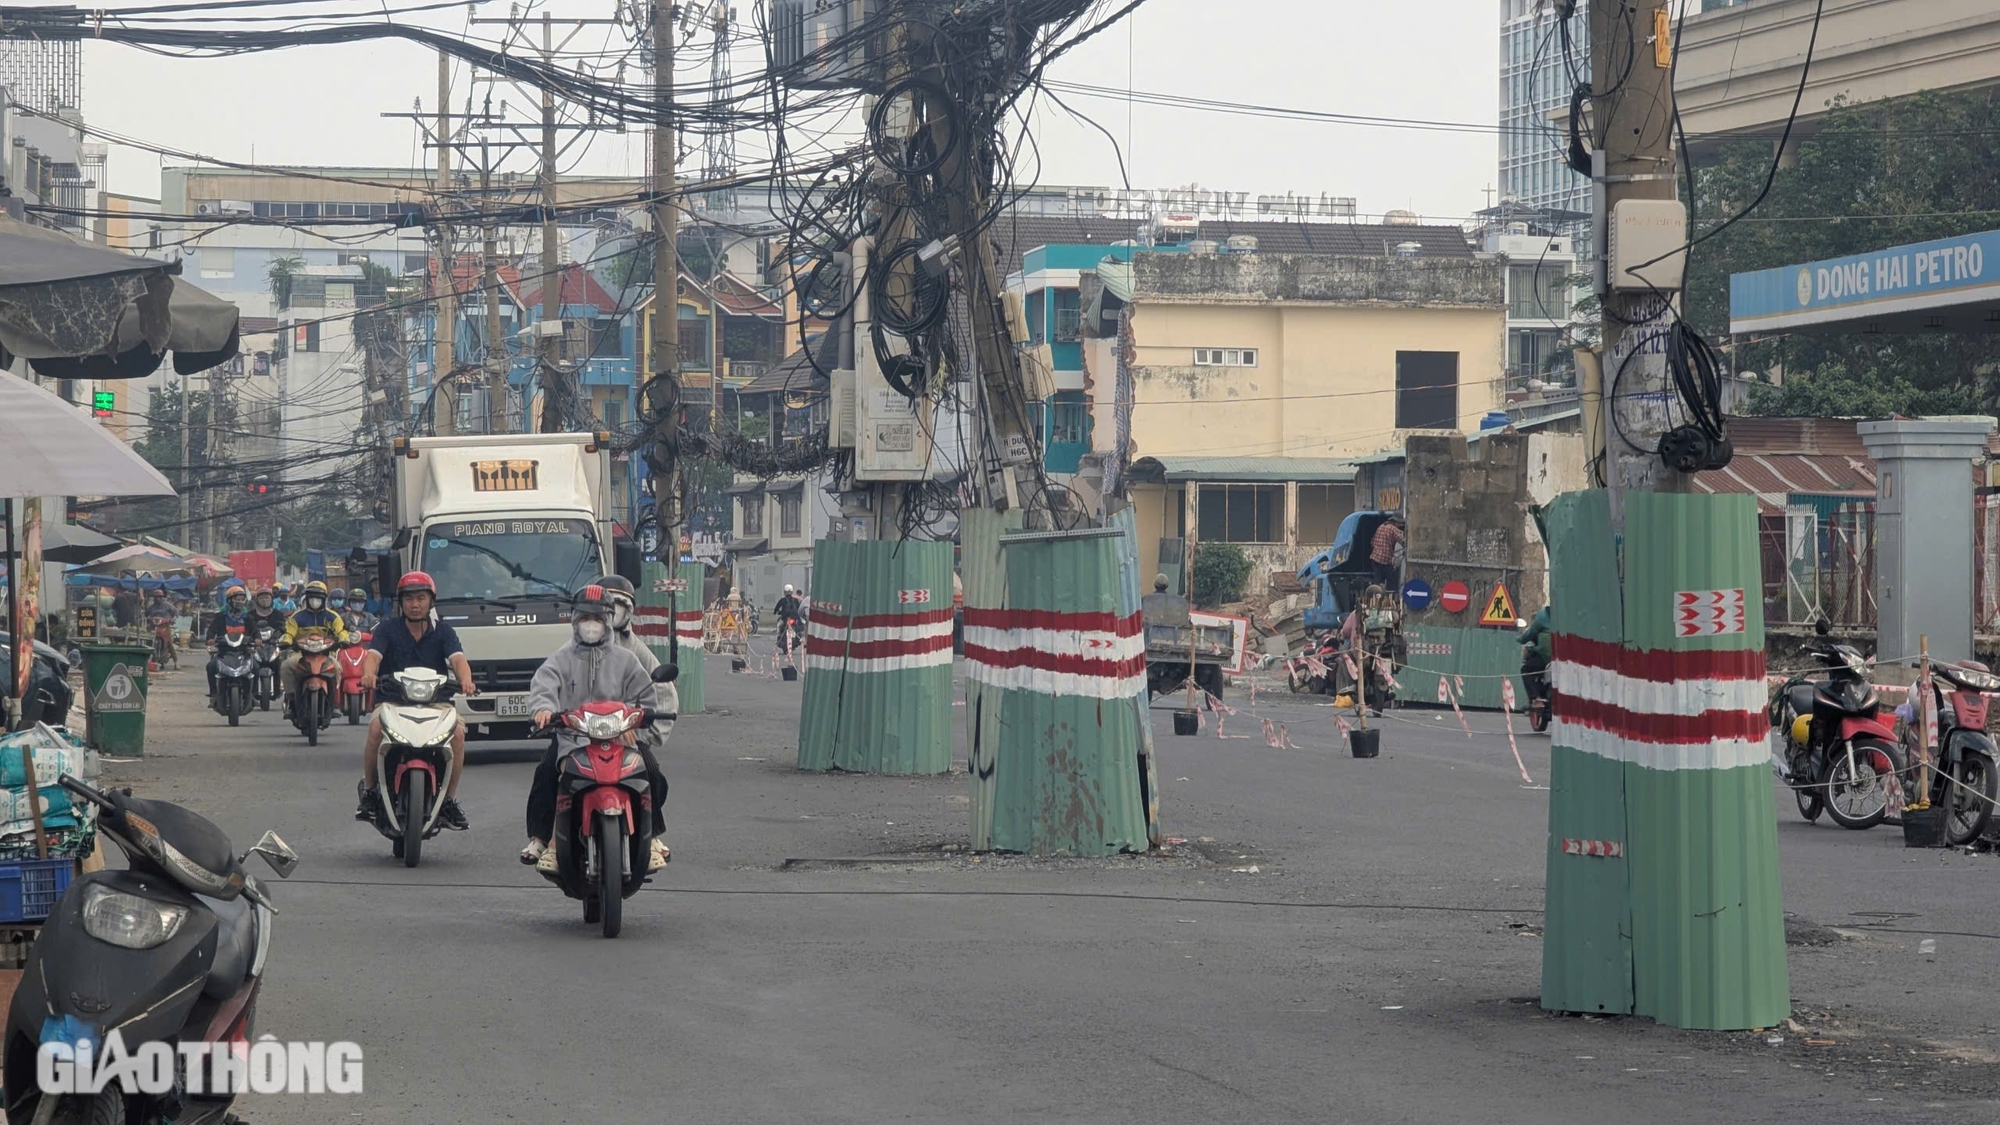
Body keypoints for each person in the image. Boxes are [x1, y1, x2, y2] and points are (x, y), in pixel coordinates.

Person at [521, 585, 669, 873]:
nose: (592, 625)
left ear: (608, 621)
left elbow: (646, 696)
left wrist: (636, 724)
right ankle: (545, 840)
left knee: (650, 770)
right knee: (547, 773)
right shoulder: (562, 658)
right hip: (573, 737)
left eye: (598, 619)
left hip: (621, 737)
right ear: (575, 621)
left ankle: (652, 837)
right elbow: (544, 685)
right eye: (586, 618)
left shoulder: (626, 659)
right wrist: (543, 709)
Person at [356, 571, 475, 829]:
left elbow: (458, 660)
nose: (415, 604)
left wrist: (466, 680)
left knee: (458, 734)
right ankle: (371, 792)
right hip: (393, 701)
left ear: (431, 601)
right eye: (409, 599)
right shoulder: (387, 629)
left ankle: (448, 801)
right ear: (401, 602)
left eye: (421, 598)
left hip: (437, 703)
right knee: (376, 728)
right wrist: (368, 674)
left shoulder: (444, 632)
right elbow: (374, 657)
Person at [280, 581, 351, 705]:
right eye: (312, 597)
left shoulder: (333, 616)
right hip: (301, 654)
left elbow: (341, 631)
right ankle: (291, 697)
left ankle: (334, 700)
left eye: (318, 597)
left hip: (327, 654)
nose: (315, 600)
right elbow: (289, 633)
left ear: (324, 599)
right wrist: (286, 641)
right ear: (306, 599)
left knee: (337, 668)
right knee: (286, 666)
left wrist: (344, 640)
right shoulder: (297, 617)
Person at [205, 587, 252, 700]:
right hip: (223, 651)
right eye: (237, 599)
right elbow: (212, 630)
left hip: (243, 651)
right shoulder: (221, 616)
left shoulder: (247, 617)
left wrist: (257, 639)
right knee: (211, 666)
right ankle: (214, 693)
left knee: (255, 667)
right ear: (230, 600)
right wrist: (210, 638)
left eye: (242, 599)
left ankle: (252, 694)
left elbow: (254, 631)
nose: (240, 602)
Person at [1518, 603, 1552, 706]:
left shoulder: (1543, 615)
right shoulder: (1567, 615)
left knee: (1526, 670)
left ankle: (1536, 699)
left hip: (1546, 657)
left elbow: (1530, 634)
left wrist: (1520, 639)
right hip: (1565, 657)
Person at [1369, 515, 1405, 588]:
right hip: (1385, 559)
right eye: (1400, 523)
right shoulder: (1393, 529)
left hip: (1374, 557)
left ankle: (1375, 595)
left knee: (1377, 580)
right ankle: (1390, 596)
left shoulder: (1381, 526)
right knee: (1391, 580)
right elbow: (1403, 541)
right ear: (1396, 522)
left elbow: (1372, 542)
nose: (1401, 525)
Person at [773, 583, 803, 653]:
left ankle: (780, 639)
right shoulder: (795, 600)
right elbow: (799, 608)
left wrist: (775, 612)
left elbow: (776, 608)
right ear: (792, 592)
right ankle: (797, 639)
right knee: (797, 629)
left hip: (785, 618)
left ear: (784, 592)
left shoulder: (782, 600)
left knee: (780, 627)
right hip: (794, 618)